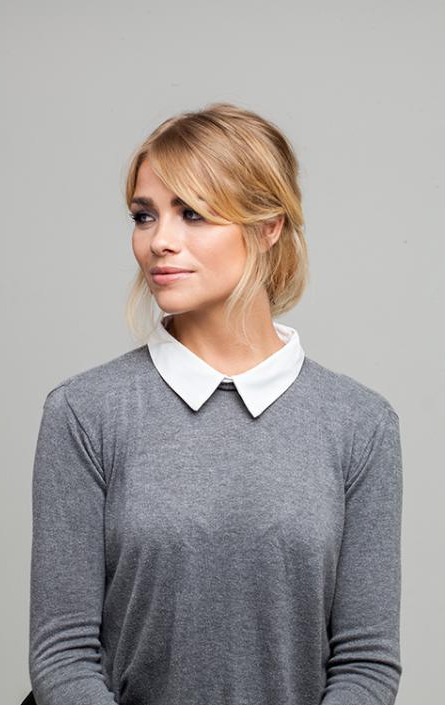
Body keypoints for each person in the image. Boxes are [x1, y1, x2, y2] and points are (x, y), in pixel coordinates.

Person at [28, 102, 403, 705]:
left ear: (268, 225)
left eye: (193, 213)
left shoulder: (361, 425)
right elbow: (63, 656)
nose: (159, 241)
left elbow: (366, 663)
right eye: (145, 216)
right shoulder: (84, 413)